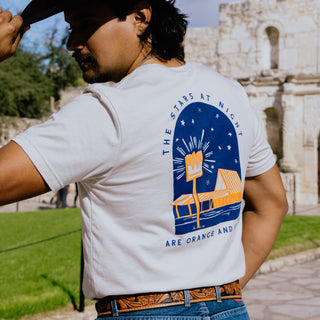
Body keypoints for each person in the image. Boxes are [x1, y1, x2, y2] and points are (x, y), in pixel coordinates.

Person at [0, 1, 288, 319]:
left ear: (140, 18)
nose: (72, 42)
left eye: (85, 24)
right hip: (229, 309)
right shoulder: (230, 93)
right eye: (71, 28)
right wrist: (215, 292)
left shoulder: (106, 111)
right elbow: (272, 203)